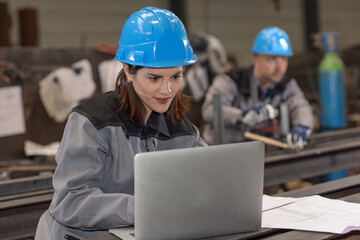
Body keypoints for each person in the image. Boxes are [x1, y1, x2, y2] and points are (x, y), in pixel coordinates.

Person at [34, 7, 206, 240]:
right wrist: (140, 208)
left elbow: (208, 181)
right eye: (154, 78)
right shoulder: (91, 122)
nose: (167, 90)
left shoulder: (183, 130)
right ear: (128, 70)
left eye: (175, 76)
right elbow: (70, 202)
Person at [201, 26, 314, 149]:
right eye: (272, 59)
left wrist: (303, 126)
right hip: (224, 151)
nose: (279, 67)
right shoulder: (231, 80)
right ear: (255, 60)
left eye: (283, 59)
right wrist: (241, 115)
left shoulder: (286, 85)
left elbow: (300, 106)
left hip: (261, 152)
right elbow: (209, 110)